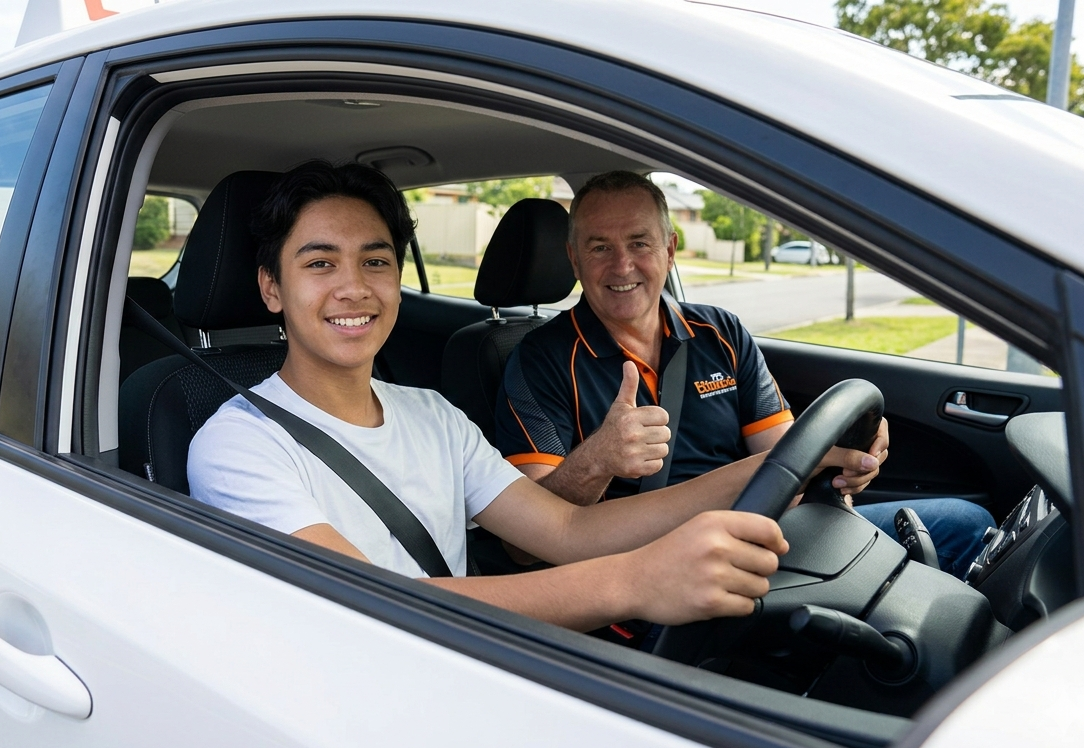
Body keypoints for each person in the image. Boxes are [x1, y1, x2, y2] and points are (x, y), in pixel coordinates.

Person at [187, 160, 886, 632]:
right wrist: (636, 581)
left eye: (376, 260)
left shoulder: (434, 416)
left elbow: (567, 532)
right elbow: (370, 606)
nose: (353, 288)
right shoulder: (237, 442)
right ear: (272, 288)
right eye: (320, 263)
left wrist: (779, 465)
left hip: (477, 661)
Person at [495, 171, 992, 580]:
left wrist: (845, 460)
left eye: (639, 243)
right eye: (600, 247)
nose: (622, 265)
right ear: (574, 258)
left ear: (670, 250)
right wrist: (598, 460)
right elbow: (526, 543)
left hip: (763, 533)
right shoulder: (540, 360)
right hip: (655, 570)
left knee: (965, 525)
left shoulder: (721, 333)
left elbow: (787, 458)